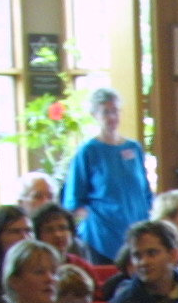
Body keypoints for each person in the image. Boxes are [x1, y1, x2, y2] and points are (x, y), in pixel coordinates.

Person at [60, 89, 149, 263]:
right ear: (95, 115)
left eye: (115, 111)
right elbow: (73, 200)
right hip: (102, 238)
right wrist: (96, 219)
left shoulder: (134, 148)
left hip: (137, 232)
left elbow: (145, 191)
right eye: (106, 112)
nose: (112, 117)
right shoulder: (88, 151)